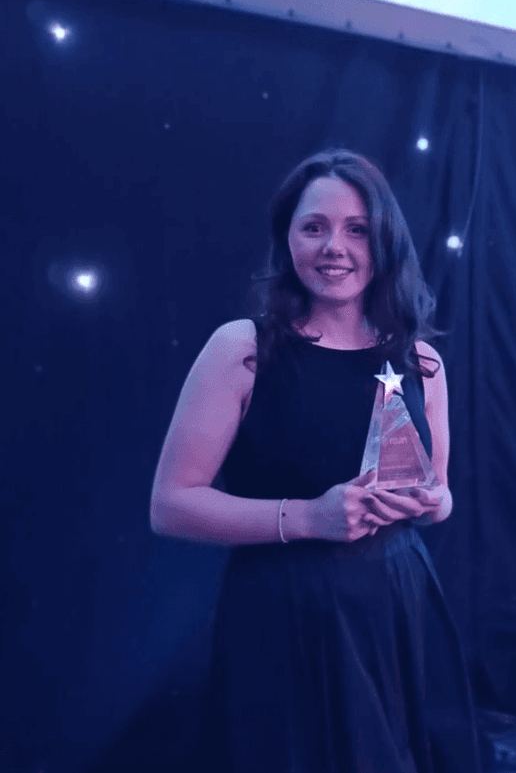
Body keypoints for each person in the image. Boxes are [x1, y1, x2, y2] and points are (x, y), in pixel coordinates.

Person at [149, 149, 482, 773]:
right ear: (288, 238)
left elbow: (440, 497)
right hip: (285, 613)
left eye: (357, 229)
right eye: (314, 227)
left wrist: (431, 501)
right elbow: (170, 505)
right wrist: (307, 517)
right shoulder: (242, 348)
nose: (335, 247)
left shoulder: (422, 361)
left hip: (398, 604)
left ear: (385, 241)